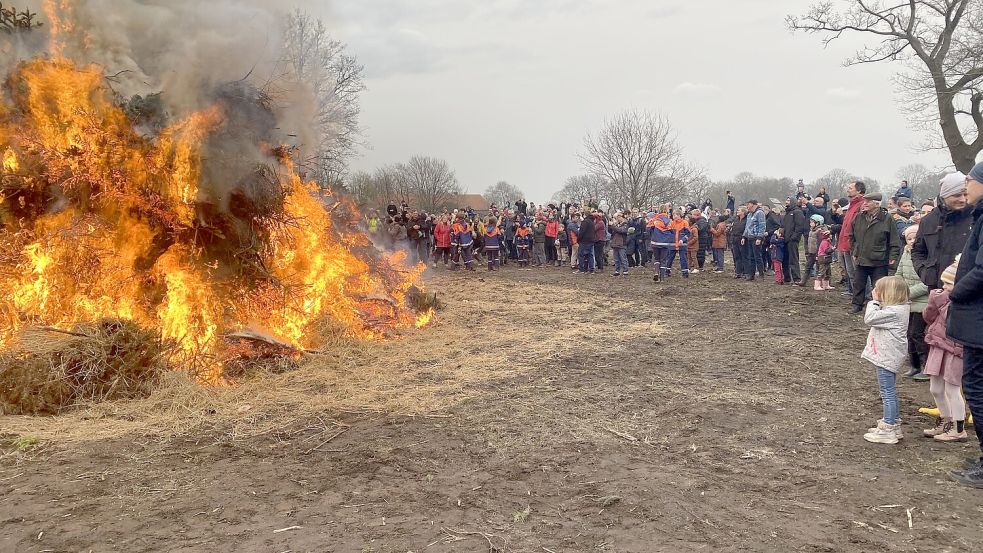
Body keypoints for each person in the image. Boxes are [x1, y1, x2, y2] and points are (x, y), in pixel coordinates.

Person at [947, 161, 983, 488]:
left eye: (970, 181)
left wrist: (955, 291)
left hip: (978, 321)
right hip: (976, 320)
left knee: (977, 387)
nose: (965, 187)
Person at [861, 276, 911, 444]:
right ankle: (893, 424)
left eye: (878, 290)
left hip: (887, 356)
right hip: (889, 355)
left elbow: (869, 318)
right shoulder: (901, 309)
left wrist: (874, 302)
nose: (875, 292)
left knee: (887, 392)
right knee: (889, 391)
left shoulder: (893, 312)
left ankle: (888, 428)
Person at [922, 261, 968, 442]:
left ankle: (958, 428)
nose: (944, 287)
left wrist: (940, 300)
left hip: (955, 349)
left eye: (948, 283)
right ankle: (945, 419)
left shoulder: (963, 303)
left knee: (952, 388)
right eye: (943, 283)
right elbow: (928, 317)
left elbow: (951, 319)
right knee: (936, 388)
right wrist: (932, 303)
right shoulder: (940, 297)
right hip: (938, 345)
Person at [911, 172, 973, 290]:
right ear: (944, 196)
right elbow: (918, 251)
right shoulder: (928, 221)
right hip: (937, 288)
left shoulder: (977, 217)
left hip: (969, 288)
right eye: (957, 195)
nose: (962, 199)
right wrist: (925, 272)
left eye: (965, 194)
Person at [849, 193, 901, 314]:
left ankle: (878, 305)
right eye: (864, 201)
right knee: (858, 283)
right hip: (861, 257)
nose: (864, 204)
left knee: (879, 285)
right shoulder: (859, 217)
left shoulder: (887, 218)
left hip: (879, 259)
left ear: (877, 204)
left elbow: (894, 239)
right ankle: (857, 305)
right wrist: (854, 250)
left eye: (868, 201)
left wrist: (893, 255)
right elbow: (852, 236)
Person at [896, 225, 930, 379]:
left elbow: (928, 282)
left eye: (915, 238)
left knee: (917, 333)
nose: (912, 241)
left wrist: (908, 293)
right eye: (909, 238)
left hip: (922, 302)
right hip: (906, 301)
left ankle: (927, 367)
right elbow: (899, 273)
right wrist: (895, 289)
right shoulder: (906, 253)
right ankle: (914, 365)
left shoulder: (928, 255)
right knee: (908, 335)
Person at [837, 181, 866, 296]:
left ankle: (864, 296)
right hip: (845, 242)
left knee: (858, 272)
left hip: (854, 244)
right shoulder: (852, 205)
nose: (847, 189)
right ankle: (855, 294)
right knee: (850, 272)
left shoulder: (862, 205)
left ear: (859, 191)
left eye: (850, 188)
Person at [782, 198, 807, 285]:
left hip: (792, 240)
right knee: (785, 260)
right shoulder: (787, 212)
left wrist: (794, 237)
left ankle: (796, 278)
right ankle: (787, 278)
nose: (786, 202)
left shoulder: (797, 212)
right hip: (785, 239)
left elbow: (799, 226)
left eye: (788, 200)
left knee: (793, 260)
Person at [662, 210, 692, 279]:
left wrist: (683, 239)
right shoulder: (671, 223)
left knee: (683, 259)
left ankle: (685, 273)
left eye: (676, 215)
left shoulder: (685, 223)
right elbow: (668, 233)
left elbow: (688, 233)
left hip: (682, 244)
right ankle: (667, 272)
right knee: (669, 258)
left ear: (679, 215)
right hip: (672, 244)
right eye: (673, 215)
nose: (674, 216)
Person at [742, 200, 767, 280]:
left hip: (756, 238)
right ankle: (751, 274)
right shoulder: (749, 214)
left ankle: (761, 274)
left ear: (753, 205)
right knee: (751, 257)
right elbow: (747, 226)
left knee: (758, 257)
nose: (747, 207)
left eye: (748, 205)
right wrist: (744, 236)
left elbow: (762, 226)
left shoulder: (760, 213)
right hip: (749, 237)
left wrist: (759, 237)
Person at [801, 215, 823, 288]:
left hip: (817, 254)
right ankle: (803, 281)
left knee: (819, 269)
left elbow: (819, 244)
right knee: (808, 267)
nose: (810, 223)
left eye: (812, 222)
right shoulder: (811, 230)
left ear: (817, 223)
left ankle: (819, 283)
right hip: (811, 253)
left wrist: (817, 254)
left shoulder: (819, 231)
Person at [729, 206, 748, 279]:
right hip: (734, 240)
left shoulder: (746, 220)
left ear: (743, 212)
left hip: (742, 240)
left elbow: (746, 230)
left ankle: (745, 272)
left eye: (739, 210)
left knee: (744, 256)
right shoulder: (736, 220)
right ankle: (738, 272)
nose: (737, 211)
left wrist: (743, 237)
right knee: (736, 257)